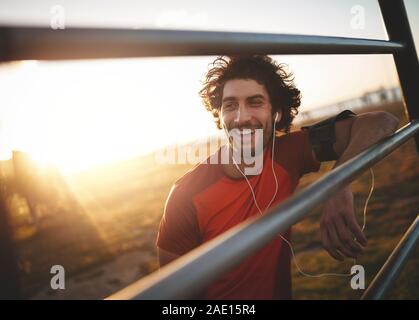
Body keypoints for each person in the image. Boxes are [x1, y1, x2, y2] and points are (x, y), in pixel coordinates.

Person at [156, 55, 399, 299]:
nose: (241, 118)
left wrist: (338, 182)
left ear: (278, 114)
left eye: (255, 102)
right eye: (230, 105)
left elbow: (382, 122)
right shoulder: (186, 194)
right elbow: (171, 296)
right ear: (219, 116)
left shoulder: (288, 153)